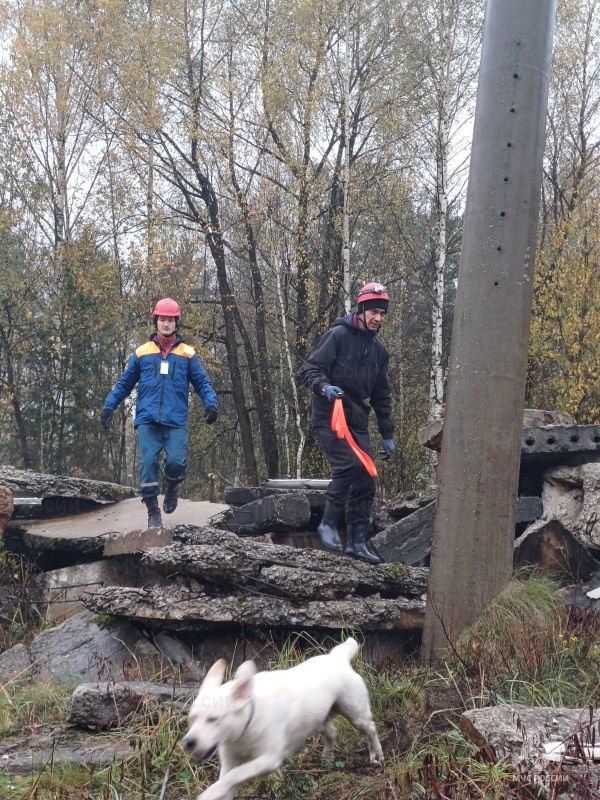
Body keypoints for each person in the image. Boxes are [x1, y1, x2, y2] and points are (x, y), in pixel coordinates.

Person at [100, 298, 218, 528]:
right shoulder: (142, 352)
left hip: (175, 420)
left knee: (175, 462)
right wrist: (109, 406)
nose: (166, 324)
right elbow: (124, 384)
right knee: (148, 463)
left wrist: (210, 404)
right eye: (162, 319)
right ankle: (153, 510)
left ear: (176, 323)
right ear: (156, 321)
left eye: (170, 320)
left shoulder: (187, 354)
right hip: (147, 419)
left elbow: (203, 383)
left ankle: (172, 487)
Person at [299, 283, 395, 564]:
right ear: (362, 310)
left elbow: (382, 395)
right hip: (329, 416)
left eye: (383, 313)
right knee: (349, 465)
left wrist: (387, 434)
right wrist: (325, 387)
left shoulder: (379, 351)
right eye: (374, 312)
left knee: (367, 479)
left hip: (357, 420)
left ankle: (356, 542)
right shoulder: (338, 336)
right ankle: (328, 524)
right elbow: (310, 370)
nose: (378, 318)